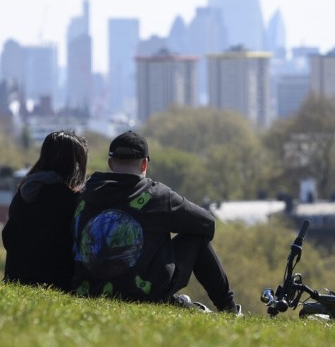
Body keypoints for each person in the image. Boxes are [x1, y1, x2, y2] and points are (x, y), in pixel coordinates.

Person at [71, 130, 240, 314]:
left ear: (110, 163)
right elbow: (207, 222)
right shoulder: (156, 195)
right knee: (197, 236)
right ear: (144, 164)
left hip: (88, 290)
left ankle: (176, 302)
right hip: (141, 293)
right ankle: (229, 309)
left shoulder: (87, 191)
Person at [2, 130, 88, 291]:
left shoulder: (24, 191)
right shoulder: (71, 198)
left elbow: (8, 235)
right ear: (75, 164)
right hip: (57, 283)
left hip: (15, 278)